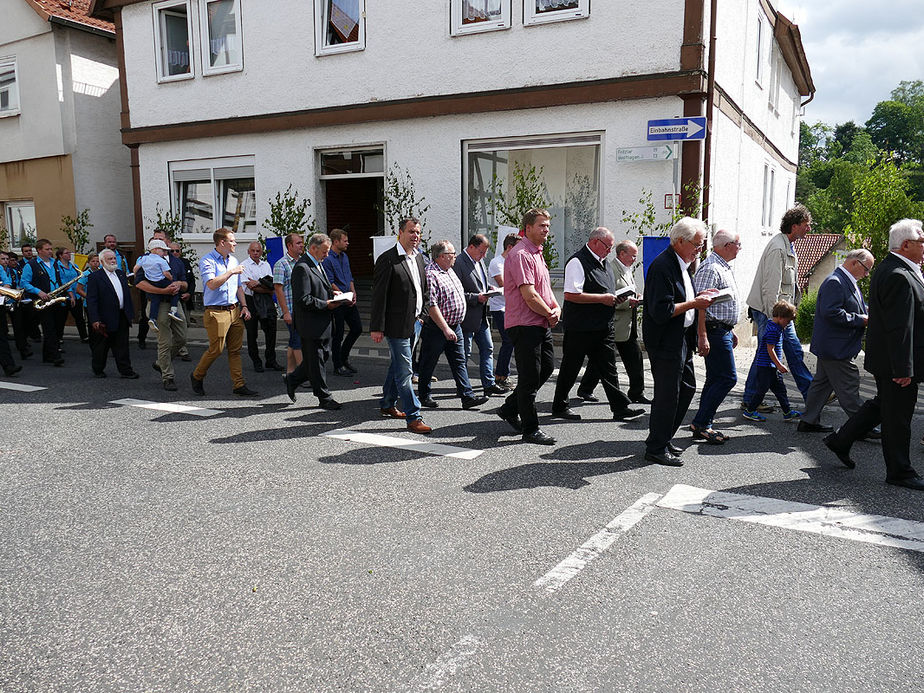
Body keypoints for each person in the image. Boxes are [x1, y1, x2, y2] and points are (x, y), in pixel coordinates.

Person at [823, 219, 924, 491]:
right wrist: (904, 367)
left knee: (884, 406)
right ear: (906, 245)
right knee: (898, 417)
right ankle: (900, 471)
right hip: (897, 363)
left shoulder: (898, 269)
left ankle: (841, 440)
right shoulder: (898, 274)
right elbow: (898, 326)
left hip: (892, 360)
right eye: (922, 242)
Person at [642, 217, 716, 466]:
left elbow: (686, 300)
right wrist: (695, 303)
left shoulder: (683, 263)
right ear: (680, 241)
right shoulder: (663, 266)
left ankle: (663, 438)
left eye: (702, 244)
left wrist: (698, 302)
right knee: (667, 394)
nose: (700, 249)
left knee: (686, 388)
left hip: (681, 338)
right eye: (697, 244)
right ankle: (656, 447)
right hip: (664, 340)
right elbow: (661, 310)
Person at [552, 226, 643, 422]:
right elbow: (571, 295)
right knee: (571, 367)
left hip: (603, 326)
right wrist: (602, 299)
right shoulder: (577, 262)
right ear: (595, 242)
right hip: (581, 327)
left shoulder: (604, 264)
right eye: (607, 246)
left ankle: (620, 408)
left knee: (609, 368)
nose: (610, 250)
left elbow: (607, 292)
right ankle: (559, 405)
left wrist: (617, 299)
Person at [496, 209, 561, 445]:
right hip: (524, 323)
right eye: (542, 225)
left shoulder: (537, 253)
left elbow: (544, 290)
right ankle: (530, 429)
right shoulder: (521, 254)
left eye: (548, 225)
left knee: (545, 369)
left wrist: (556, 308)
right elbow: (529, 295)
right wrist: (550, 314)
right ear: (528, 228)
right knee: (530, 377)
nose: (547, 229)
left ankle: (509, 408)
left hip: (539, 321)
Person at [743, 205, 814, 409]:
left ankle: (811, 395)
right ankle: (751, 399)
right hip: (773, 312)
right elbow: (770, 287)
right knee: (768, 354)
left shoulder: (787, 245)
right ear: (794, 226)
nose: (809, 229)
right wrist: (774, 319)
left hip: (780, 312)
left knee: (790, 351)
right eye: (806, 225)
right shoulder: (778, 248)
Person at [798, 249, 874, 433]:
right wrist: (861, 320)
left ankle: (808, 421)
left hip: (832, 346)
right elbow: (831, 313)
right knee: (849, 386)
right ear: (855, 262)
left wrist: (869, 311)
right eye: (866, 269)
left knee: (821, 385)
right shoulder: (836, 282)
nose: (866, 274)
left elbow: (853, 305)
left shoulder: (844, 280)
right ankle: (861, 427)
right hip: (836, 347)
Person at [370, 217, 432, 434]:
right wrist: (376, 326)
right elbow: (379, 296)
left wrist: (423, 316)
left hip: (415, 322)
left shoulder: (420, 258)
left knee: (397, 365)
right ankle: (414, 416)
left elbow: (424, 290)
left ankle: (387, 403)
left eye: (418, 232)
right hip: (396, 325)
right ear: (400, 233)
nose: (415, 236)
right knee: (405, 371)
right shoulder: (388, 259)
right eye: (411, 232)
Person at [416, 240, 490, 410]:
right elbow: (432, 305)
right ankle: (424, 395)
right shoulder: (431, 274)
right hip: (437, 327)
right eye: (452, 254)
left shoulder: (448, 271)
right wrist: (445, 328)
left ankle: (467, 396)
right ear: (442, 256)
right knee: (429, 361)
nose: (455, 257)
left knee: (459, 361)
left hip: (455, 325)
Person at [577, 240, 649, 405]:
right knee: (601, 361)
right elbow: (608, 295)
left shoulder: (627, 269)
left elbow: (625, 290)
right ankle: (586, 389)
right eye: (632, 256)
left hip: (627, 324)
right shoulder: (610, 269)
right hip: (614, 322)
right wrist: (627, 303)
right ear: (622, 254)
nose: (634, 259)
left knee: (634, 358)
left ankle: (636, 392)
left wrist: (636, 297)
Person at [688, 229, 743, 444]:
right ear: (727, 246)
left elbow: (721, 302)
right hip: (713, 330)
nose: (740, 248)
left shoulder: (722, 266)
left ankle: (703, 423)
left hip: (722, 329)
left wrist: (730, 328)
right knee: (728, 378)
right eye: (738, 244)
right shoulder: (711, 268)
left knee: (714, 378)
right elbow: (700, 305)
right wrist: (702, 335)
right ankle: (701, 422)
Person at [190, 228, 258, 397]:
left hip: (234, 309)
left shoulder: (233, 260)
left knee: (235, 350)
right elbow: (211, 284)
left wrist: (244, 306)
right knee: (216, 349)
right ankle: (197, 376)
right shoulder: (208, 261)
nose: (235, 243)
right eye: (232, 241)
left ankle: (239, 384)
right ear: (222, 242)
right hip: (216, 312)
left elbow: (238, 287)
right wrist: (230, 272)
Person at [284, 233, 344, 409]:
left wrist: (334, 294)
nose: (327, 255)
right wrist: (326, 304)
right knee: (316, 361)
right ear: (313, 248)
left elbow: (320, 288)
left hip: (323, 322)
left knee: (320, 357)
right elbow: (303, 299)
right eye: (324, 251)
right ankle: (324, 397)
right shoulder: (302, 268)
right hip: (310, 323)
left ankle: (292, 378)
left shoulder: (318, 264)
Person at [453, 234, 505, 396]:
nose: (483, 256)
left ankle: (488, 384)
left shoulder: (478, 261)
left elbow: (480, 283)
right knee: (464, 354)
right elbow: (456, 292)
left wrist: (491, 289)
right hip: (467, 316)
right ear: (471, 247)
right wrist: (477, 297)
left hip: (481, 316)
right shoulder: (459, 263)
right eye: (481, 252)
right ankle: (463, 387)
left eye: (484, 253)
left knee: (488, 348)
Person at [136, 236, 188, 392]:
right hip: (157, 304)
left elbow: (186, 283)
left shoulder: (177, 261)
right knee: (164, 342)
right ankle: (168, 377)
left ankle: (161, 362)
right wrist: (163, 290)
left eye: (164, 243)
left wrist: (179, 284)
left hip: (175, 302)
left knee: (182, 338)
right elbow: (140, 283)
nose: (164, 248)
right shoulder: (146, 261)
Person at [741, 301, 801, 422]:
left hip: (771, 366)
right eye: (788, 321)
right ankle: (750, 411)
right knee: (761, 390)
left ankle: (787, 412)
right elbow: (770, 349)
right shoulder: (774, 330)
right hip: (766, 366)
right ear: (779, 317)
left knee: (781, 390)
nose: (788, 324)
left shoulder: (773, 325)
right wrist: (779, 365)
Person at [85, 249, 138, 379]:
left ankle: (126, 370)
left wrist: (129, 313)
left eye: (114, 258)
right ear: (102, 261)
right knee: (102, 346)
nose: (113, 261)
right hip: (104, 317)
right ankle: (98, 369)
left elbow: (126, 295)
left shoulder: (120, 274)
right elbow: (91, 300)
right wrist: (95, 319)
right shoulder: (95, 277)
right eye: (110, 259)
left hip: (121, 315)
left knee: (122, 345)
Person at [20, 239, 67, 367]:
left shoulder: (56, 263)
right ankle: (56, 356)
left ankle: (47, 355)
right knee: (49, 327)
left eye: (51, 249)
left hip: (55, 299)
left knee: (56, 327)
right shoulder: (31, 265)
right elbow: (24, 283)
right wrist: (39, 292)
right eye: (47, 249)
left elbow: (61, 279)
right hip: (42, 300)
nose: (50, 251)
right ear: (39, 250)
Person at [323, 228, 363, 376]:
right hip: (338, 302)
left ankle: (343, 357)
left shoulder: (344, 257)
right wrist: (343, 295)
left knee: (357, 328)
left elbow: (349, 277)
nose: (348, 243)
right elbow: (329, 281)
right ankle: (337, 365)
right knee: (338, 334)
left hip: (348, 299)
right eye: (345, 241)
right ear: (336, 242)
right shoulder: (327, 259)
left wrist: (353, 293)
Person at [241, 241, 281, 373]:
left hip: (266, 301)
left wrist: (258, 283)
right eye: (253, 250)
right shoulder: (244, 265)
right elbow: (249, 286)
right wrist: (264, 285)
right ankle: (256, 361)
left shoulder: (266, 265)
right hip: (251, 301)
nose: (255, 253)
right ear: (248, 251)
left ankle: (271, 360)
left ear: (261, 252)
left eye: (258, 251)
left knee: (271, 331)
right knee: (252, 333)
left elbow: (271, 287)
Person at [487, 233, 518, 389]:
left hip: (511, 306)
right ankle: (501, 375)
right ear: (510, 247)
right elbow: (505, 285)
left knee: (510, 341)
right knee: (508, 340)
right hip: (499, 307)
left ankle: (502, 374)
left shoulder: (512, 262)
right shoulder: (497, 262)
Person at [274, 233, 305, 378]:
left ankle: (290, 372)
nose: (301, 245)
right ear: (289, 246)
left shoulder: (302, 262)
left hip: (301, 309)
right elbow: (278, 289)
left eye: (302, 243)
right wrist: (285, 312)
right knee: (297, 339)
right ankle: (304, 374)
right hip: (290, 310)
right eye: (298, 243)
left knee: (294, 340)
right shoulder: (281, 264)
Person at [134, 239, 182, 332]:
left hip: (151, 282)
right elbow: (166, 273)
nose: (165, 253)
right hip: (161, 281)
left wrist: (135, 274)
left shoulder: (144, 258)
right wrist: (171, 279)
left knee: (155, 300)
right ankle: (174, 310)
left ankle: (152, 318)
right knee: (174, 290)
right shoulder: (161, 260)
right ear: (155, 249)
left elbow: (136, 268)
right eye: (163, 250)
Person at [55, 248, 89, 343]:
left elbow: (79, 278)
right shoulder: (57, 266)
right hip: (64, 296)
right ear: (60, 255)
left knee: (79, 318)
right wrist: (70, 294)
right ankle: (59, 338)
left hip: (76, 295)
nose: (69, 255)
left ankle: (84, 336)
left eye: (69, 253)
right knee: (61, 318)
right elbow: (62, 281)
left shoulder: (74, 265)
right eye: (66, 253)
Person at [170, 242, 196, 326]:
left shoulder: (185, 262)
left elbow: (191, 280)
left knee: (185, 324)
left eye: (177, 251)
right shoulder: (165, 263)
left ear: (180, 252)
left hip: (185, 298)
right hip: (172, 298)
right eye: (172, 251)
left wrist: (189, 293)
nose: (175, 253)